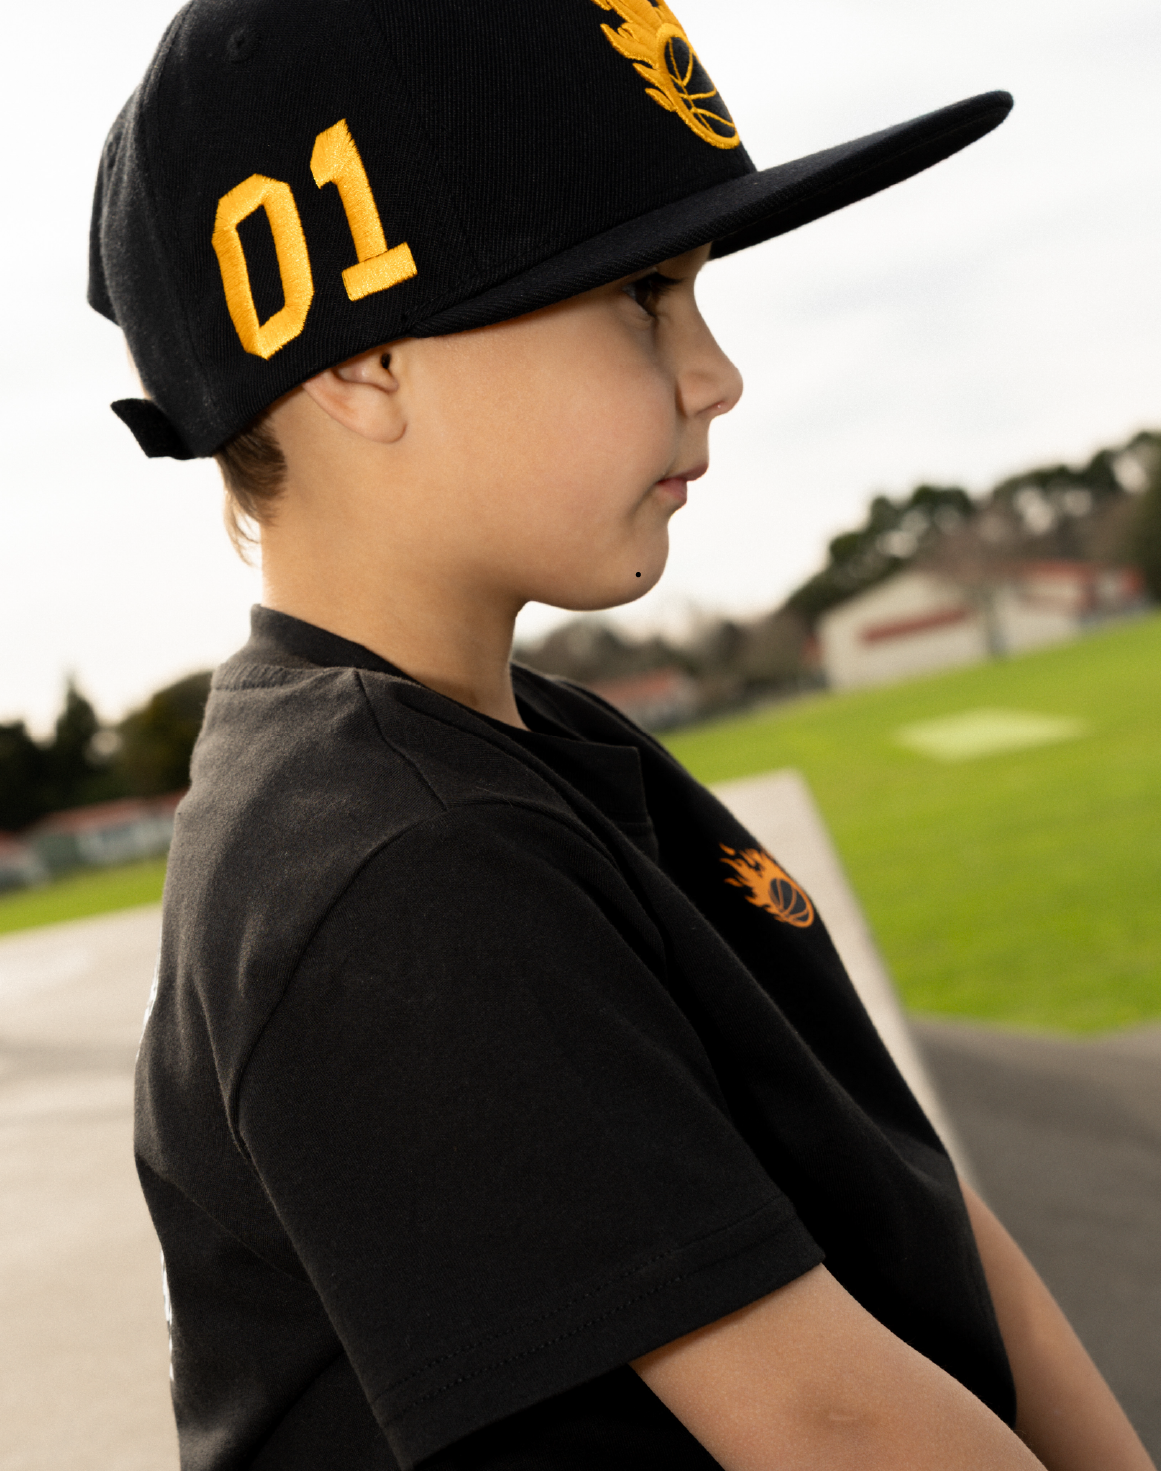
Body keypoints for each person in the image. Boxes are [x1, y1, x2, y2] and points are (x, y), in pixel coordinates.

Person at [89, 3, 1155, 1468]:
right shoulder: (396, 862)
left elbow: (925, 1218)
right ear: (365, 362)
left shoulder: (528, 742)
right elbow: (831, 1425)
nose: (715, 371)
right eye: (646, 295)